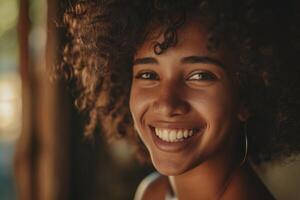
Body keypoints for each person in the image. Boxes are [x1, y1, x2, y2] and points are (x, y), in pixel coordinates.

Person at [61, 0, 300, 199]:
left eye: (200, 76)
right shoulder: (153, 192)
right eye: (148, 74)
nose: (166, 104)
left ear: (246, 96)